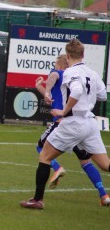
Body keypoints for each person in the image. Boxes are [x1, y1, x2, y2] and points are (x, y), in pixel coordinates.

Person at [20, 39, 109, 209]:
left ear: (67, 56)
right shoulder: (92, 73)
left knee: (45, 156)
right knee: (106, 165)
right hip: (90, 123)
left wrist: (64, 110)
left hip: (73, 122)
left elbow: (76, 90)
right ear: (83, 55)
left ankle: (37, 200)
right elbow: (103, 95)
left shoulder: (70, 72)